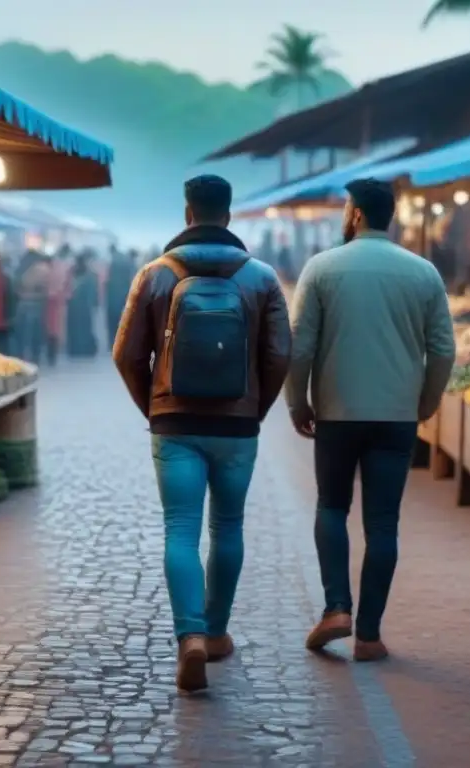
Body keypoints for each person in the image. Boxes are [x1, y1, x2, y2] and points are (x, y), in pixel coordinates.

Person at [113, 174, 290, 693]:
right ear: (228, 216)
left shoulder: (154, 275)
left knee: (180, 529)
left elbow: (125, 354)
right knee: (228, 527)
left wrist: (153, 406)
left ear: (188, 214)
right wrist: (257, 408)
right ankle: (215, 633)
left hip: (175, 424)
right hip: (237, 425)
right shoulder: (262, 277)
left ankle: (188, 635)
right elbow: (281, 353)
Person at [285, 178, 455, 663]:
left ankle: (336, 607)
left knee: (331, 507)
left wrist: (298, 402)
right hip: (396, 417)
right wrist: (425, 403)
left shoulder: (322, 268)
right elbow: (443, 349)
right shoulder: (423, 273)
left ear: (356, 214)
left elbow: (299, 346)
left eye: (346, 207)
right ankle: (369, 635)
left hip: (337, 413)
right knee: (383, 523)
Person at [15, 251, 50, 364]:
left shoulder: (20, 269)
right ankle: (35, 358)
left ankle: (21, 357)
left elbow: (16, 287)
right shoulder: (42, 270)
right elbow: (46, 289)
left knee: (22, 335)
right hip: (36, 304)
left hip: (22, 304)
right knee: (35, 334)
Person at [67, 253, 100, 358]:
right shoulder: (90, 275)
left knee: (77, 328)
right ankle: (84, 349)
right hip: (83, 307)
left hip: (77, 306)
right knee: (83, 328)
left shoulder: (74, 274)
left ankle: (77, 349)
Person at [45, 251, 71, 366]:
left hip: (48, 304)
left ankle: (50, 354)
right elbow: (67, 288)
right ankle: (53, 355)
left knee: (50, 330)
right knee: (56, 330)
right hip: (58, 304)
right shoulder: (63, 269)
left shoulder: (46, 271)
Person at [105, 250, 135, 348]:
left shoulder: (111, 281)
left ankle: (113, 344)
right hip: (123, 302)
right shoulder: (126, 280)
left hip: (113, 303)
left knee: (113, 323)